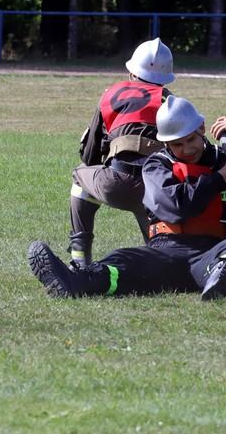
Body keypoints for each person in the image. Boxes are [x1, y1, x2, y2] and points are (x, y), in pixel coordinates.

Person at [28, 96, 226, 299]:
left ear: (202, 128)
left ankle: (217, 279)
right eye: (177, 144)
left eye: (190, 140)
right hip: (165, 253)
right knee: (120, 261)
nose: (186, 149)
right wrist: (222, 176)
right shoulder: (156, 166)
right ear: (165, 143)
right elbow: (178, 207)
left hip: (212, 250)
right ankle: (75, 282)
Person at [69, 37, 177, 268]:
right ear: (166, 78)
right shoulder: (172, 103)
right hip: (158, 193)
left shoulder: (111, 94)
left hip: (116, 183)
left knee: (81, 176)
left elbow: (89, 155)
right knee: (163, 260)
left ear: (132, 73)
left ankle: (80, 259)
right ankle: (163, 259)